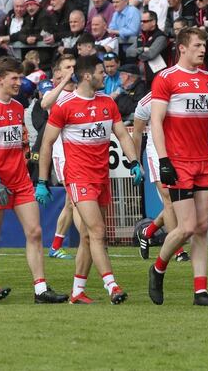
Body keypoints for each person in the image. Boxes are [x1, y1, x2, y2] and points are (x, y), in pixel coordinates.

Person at [37, 55, 143, 305]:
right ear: (87, 76)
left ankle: (77, 291)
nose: (105, 75)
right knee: (97, 231)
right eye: (100, 72)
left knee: (86, 236)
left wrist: (134, 161)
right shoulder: (65, 106)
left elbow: (122, 135)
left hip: (101, 177)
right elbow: (47, 143)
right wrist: (42, 180)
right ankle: (112, 285)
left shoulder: (108, 102)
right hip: (78, 177)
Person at [148, 27, 208, 307]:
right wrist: (163, 160)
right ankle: (158, 268)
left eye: (204, 45)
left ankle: (200, 292)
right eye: (197, 45)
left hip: (203, 162)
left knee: (201, 227)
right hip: (178, 162)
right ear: (182, 48)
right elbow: (156, 122)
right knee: (186, 227)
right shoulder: (165, 78)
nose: (202, 50)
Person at [0, 56, 68, 305]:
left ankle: (40, 289)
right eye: (14, 78)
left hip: (21, 181)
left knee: (35, 232)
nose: (19, 82)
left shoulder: (17, 107)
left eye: (20, 77)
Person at [132, 89, 190, 263]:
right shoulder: (146, 102)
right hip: (157, 152)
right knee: (169, 200)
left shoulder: (184, 95)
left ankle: (147, 232)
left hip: (181, 151)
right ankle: (178, 250)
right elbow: (136, 132)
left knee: (180, 201)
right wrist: (137, 162)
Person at [40, 55, 78, 260]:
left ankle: (56, 246)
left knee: (73, 202)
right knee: (73, 201)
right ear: (57, 73)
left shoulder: (81, 92)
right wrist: (64, 81)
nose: (72, 70)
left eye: (74, 66)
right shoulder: (55, 92)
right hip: (63, 154)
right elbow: (44, 104)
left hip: (82, 154)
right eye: (67, 67)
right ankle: (56, 246)